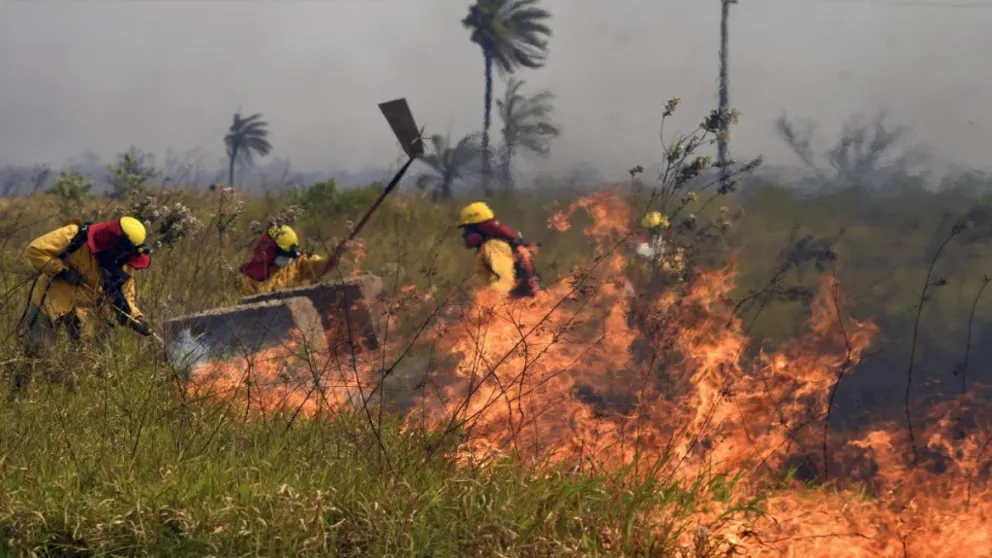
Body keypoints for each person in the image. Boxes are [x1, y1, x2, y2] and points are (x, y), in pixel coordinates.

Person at [15, 216, 153, 391]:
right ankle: (21, 394)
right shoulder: (74, 235)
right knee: (39, 355)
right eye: (119, 249)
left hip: (85, 310)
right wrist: (63, 271)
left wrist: (136, 318)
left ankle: (70, 395)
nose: (120, 254)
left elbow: (125, 298)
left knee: (88, 362)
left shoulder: (124, 265)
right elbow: (35, 250)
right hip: (50, 300)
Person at [457, 201, 539, 298]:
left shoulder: (493, 246)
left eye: (467, 230)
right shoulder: (493, 245)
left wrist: (490, 304)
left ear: (480, 227)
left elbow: (505, 280)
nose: (465, 235)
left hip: (508, 306)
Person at [238, 223, 335, 296]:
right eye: (286, 255)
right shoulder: (252, 278)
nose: (290, 259)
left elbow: (318, 264)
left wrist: (335, 255)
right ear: (271, 252)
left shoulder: (296, 263)